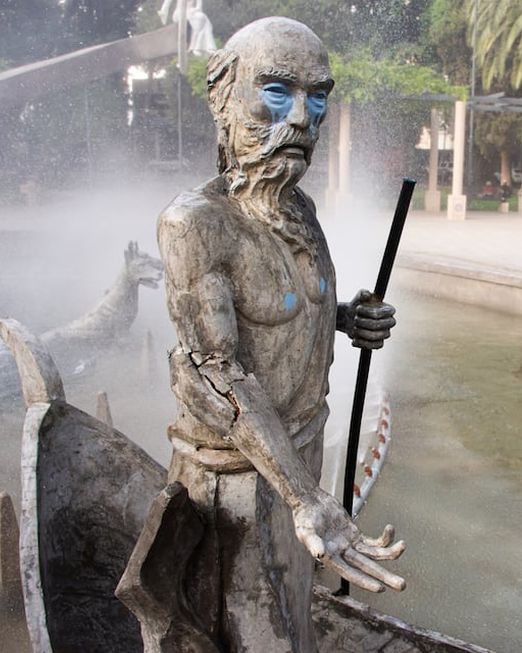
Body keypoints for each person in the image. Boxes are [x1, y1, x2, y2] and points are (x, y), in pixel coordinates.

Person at [118, 17, 404, 652]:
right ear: (225, 96)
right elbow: (215, 374)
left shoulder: (294, 204)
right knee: (252, 636)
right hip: (235, 487)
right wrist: (308, 500)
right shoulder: (195, 224)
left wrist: (346, 316)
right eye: (277, 91)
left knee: (294, 616)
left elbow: (286, 312)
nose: (303, 117)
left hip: (302, 454)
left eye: (318, 95)